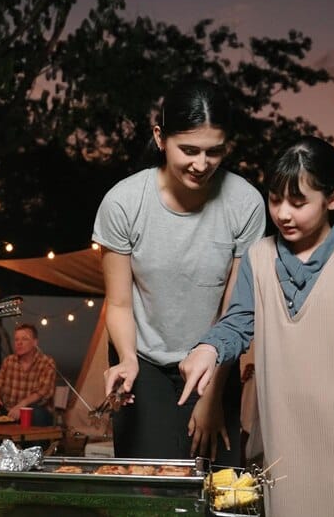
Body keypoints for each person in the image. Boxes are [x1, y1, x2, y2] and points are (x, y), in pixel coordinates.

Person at [178, 136, 334, 516]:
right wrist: (210, 347)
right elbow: (238, 322)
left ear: (333, 199)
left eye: (298, 203)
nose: (283, 213)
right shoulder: (258, 257)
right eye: (274, 200)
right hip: (280, 455)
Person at [93, 79, 265, 463]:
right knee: (149, 483)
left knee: (219, 483)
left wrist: (213, 397)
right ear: (160, 138)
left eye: (214, 151)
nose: (201, 165)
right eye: (189, 150)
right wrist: (127, 360)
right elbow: (119, 304)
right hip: (144, 363)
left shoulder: (246, 203)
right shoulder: (123, 203)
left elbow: (234, 312)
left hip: (214, 361)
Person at [0, 323, 57, 426]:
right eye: (16, 339)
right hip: (9, 410)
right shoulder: (9, 361)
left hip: (34, 410)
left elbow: (43, 391)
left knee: (37, 413)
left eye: (24, 339)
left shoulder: (46, 362)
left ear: (34, 342)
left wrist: (21, 406)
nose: (19, 343)